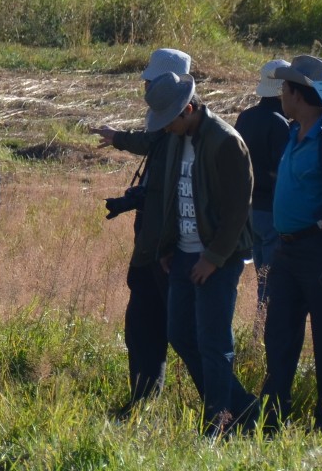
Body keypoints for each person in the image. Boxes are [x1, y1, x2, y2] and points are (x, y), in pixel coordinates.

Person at [131, 72, 255, 436]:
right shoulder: (175, 140)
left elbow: (238, 210)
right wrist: (169, 245)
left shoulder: (226, 141)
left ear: (188, 109)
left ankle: (218, 424)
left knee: (214, 344)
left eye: (170, 119)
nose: (166, 127)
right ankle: (241, 408)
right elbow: (173, 195)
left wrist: (213, 257)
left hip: (218, 259)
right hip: (183, 255)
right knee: (180, 333)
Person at [256, 55, 322, 432]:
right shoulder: (292, 133)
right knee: (278, 336)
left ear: (298, 95)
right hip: (286, 251)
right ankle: (271, 420)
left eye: (284, 88)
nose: (280, 94)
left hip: (318, 252)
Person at [93, 47, 191, 412]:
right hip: (150, 247)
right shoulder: (170, 126)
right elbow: (149, 145)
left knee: (180, 333)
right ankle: (142, 404)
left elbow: (173, 195)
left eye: (150, 80)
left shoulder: (183, 133)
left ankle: (223, 406)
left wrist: (141, 199)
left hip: (166, 251)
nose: (145, 85)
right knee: (142, 327)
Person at [235, 58, 292, 304]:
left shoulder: (245, 118)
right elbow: (283, 173)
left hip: (248, 211)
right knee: (272, 282)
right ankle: (266, 332)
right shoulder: (280, 124)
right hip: (270, 211)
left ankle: (259, 332)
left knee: (262, 276)